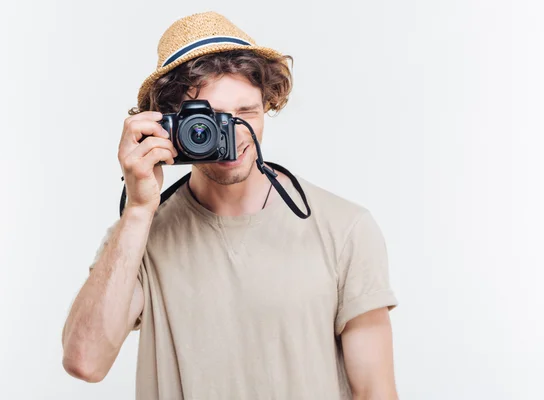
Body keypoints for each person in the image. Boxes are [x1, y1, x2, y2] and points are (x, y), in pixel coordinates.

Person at [62, 11, 399, 400]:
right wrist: (138, 210)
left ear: (267, 107)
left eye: (246, 113)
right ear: (168, 123)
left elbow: (375, 391)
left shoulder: (344, 229)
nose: (232, 132)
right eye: (210, 118)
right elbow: (85, 361)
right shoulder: (138, 238)